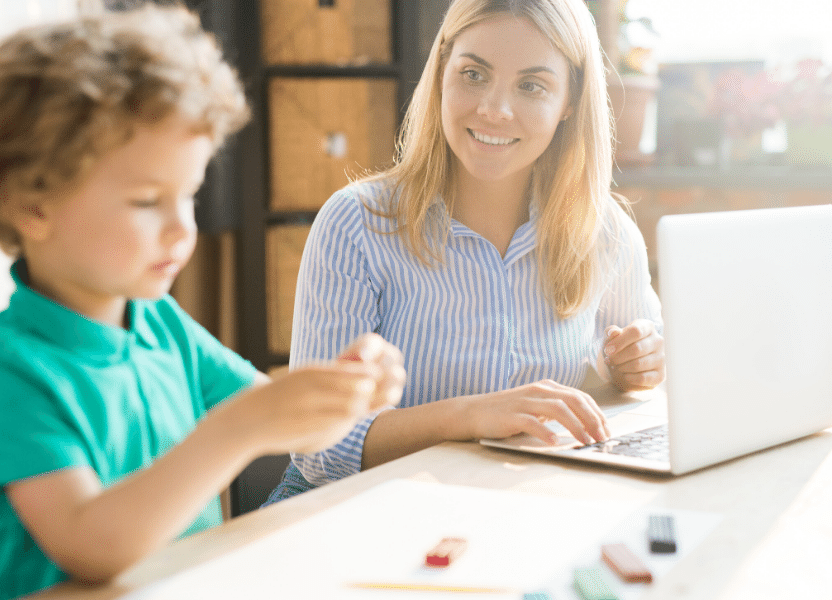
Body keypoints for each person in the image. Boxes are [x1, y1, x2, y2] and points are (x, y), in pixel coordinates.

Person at [0, 6, 404, 600]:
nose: (183, 230)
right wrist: (237, 431)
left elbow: (291, 429)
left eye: (190, 194)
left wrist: (345, 390)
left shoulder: (159, 324)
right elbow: (91, 548)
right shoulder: (7, 368)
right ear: (33, 205)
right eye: (148, 200)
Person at [265, 0, 664, 505]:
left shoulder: (603, 230)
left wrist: (637, 363)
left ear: (569, 100)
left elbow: (645, 358)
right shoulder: (357, 224)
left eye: (531, 85)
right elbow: (318, 445)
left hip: (506, 505)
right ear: (441, 74)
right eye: (474, 74)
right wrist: (472, 416)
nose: (495, 109)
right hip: (349, 512)